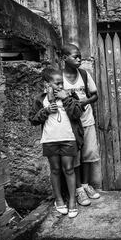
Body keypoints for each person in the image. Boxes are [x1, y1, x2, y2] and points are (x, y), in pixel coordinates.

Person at [29, 68, 84, 218]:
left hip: (68, 139)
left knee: (69, 169)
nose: (60, 86)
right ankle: (59, 200)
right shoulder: (40, 99)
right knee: (55, 170)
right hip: (50, 140)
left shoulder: (69, 95)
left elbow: (78, 113)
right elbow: (32, 119)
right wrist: (46, 111)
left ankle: (72, 201)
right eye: (57, 83)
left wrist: (66, 98)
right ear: (47, 84)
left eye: (62, 83)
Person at [61, 44, 101, 206]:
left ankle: (85, 185)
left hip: (86, 120)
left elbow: (95, 95)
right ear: (64, 58)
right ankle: (78, 190)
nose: (79, 59)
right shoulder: (59, 77)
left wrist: (85, 101)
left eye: (79, 56)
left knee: (88, 154)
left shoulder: (84, 74)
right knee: (75, 157)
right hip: (70, 124)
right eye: (74, 56)